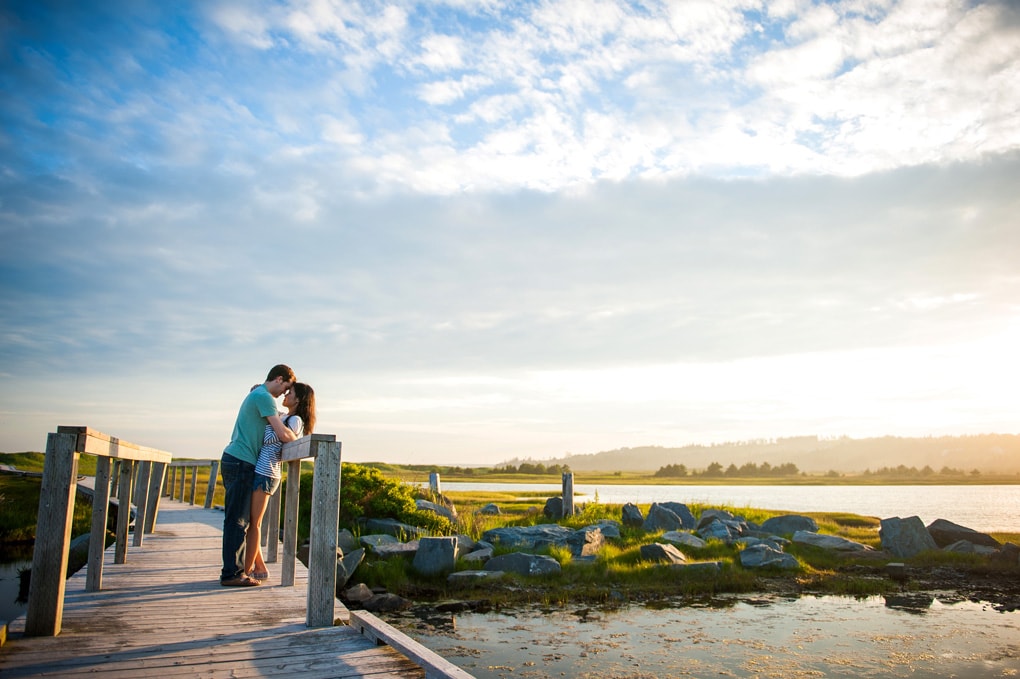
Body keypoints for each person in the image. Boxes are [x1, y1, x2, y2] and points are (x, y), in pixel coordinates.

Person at [219, 364, 297, 587]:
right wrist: (298, 440)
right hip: (241, 461)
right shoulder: (264, 397)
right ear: (279, 379)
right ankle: (231, 573)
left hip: (237, 459)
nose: (284, 393)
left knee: (238, 519)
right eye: (286, 388)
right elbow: (282, 433)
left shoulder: (259, 395)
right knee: (237, 520)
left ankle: (237, 570)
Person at [244, 382, 316, 582]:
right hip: (259, 470)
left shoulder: (296, 420)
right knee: (251, 522)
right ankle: (259, 566)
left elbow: (287, 439)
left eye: (290, 393)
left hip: (267, 472)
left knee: (255, 524)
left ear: (298, 399)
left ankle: (247, 571)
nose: (285, 394)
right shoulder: (283, 416)